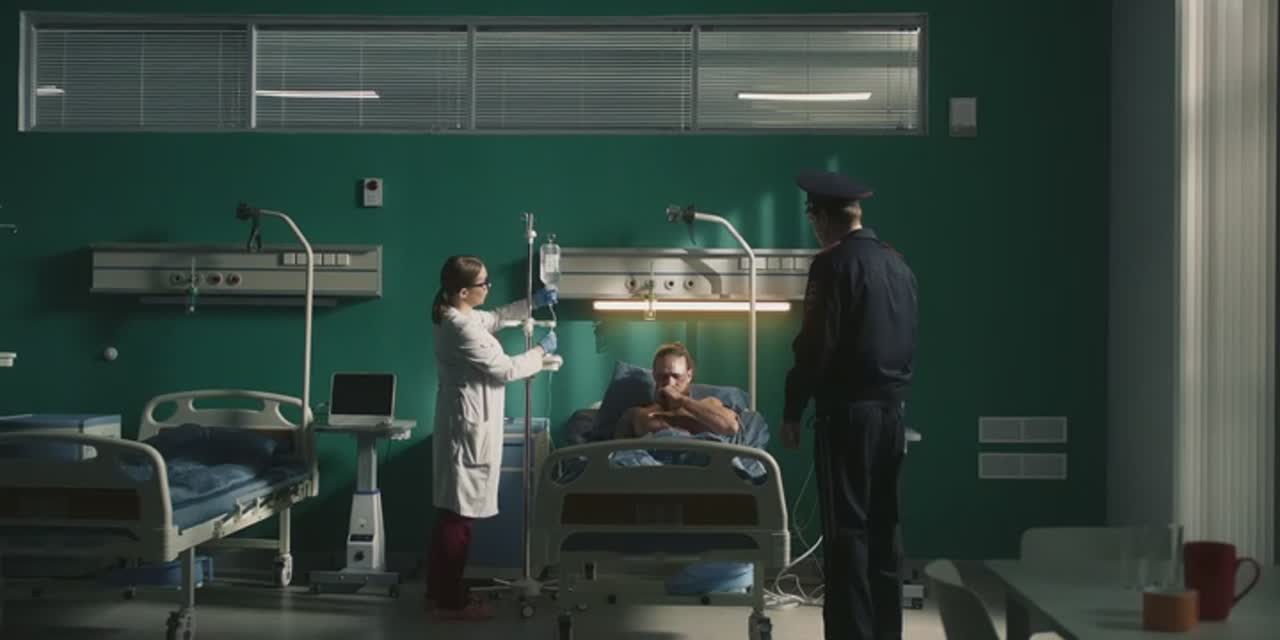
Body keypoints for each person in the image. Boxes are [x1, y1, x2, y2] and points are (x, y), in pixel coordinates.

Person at [781, 170, 918, 640]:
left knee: (847, 537)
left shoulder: (833, 266)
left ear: (821, 218)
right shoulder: (899, 266)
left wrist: (792, 408)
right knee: (885, 531)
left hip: (847, 417)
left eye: (813, 220)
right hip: (893, 416)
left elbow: (816, 346)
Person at [426, 255, 558, 620]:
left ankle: (438, 593)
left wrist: (533, 302)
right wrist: (542, 350)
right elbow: (507, 369)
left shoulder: (461, 314)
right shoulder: (459, 328)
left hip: (466, 423)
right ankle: (450, 603)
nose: (488, 287)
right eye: (483, 283)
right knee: (459, 518)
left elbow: (497, 317)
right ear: (463, 292)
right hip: (467, 430)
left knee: (452, 514)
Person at [618, 343, 739, 438]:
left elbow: (731, 427)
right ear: (654, 376)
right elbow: (615, 455)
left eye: (676, 376)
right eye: (663, 376)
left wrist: (681, 400)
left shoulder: (710, 404)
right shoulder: (637, 415)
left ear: (689, 376)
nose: (670, 383)